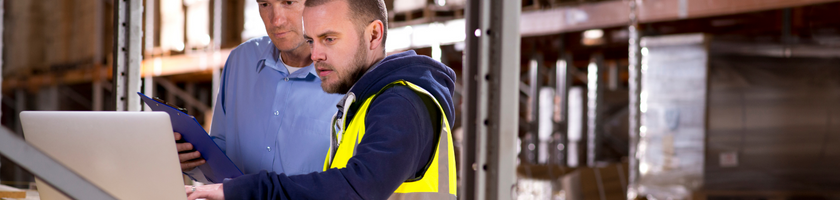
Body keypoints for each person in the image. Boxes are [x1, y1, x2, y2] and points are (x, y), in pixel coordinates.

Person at [184, 0, 457, 199]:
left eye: (329, 39)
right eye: (312, 41)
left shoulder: (402, 103)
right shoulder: (361, 102)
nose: (315, 55)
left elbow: (355, 188)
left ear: (374, 34)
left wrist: (244, 190)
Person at [175, 0, 343, 182]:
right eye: (265, 4)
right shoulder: (240, 60)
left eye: (288, 2)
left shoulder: (345, 76)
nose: (276, 20)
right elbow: (220, 154)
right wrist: (191, 158)